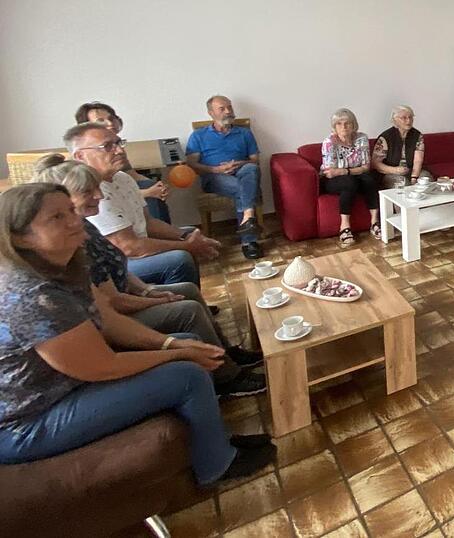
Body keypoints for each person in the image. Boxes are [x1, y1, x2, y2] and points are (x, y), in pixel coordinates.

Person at [0, 183, 275, 486]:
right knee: (187, 375)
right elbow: (102, 366)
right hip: (27, 423)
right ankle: (217, 465)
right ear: (19, 237)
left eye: (70, 210)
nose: (74, 220)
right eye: (56, 218)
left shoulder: (65, 265)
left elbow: (109, 319)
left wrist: (170, 342)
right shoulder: (32, 296)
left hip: (66, 386)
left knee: (186, 343)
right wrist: (177, 353)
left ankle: (216, 439)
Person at [32, 154, 266, 398]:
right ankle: (226, 378)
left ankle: (224, 352)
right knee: (187, 305)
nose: (99, 195)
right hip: (113, 314)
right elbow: (115, 295)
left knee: (188, 289)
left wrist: (148, 290)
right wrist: (157, 299)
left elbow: (118, 268)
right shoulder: (69, 244)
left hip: (123, 295)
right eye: (89, 191)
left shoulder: (85, 226)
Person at [67, 123, 220, 287]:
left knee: (190, 231)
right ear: (80, 156)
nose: (119, 150)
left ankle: (192, 296)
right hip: (122, 262)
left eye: (119, 143)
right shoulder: (92, 194)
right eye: (107, 146)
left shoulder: (123, 178)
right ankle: (179, 304)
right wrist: (187, 246)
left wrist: (186, 238)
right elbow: (129, 247)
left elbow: (149, 223)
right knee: (180, 259)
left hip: (137, 243)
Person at [186, 95, 264, 260]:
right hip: (214, 178)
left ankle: (247, 219)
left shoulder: (244, 133)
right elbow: (192, 164)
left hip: (242, 171)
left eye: (230, 107)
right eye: (222, 108)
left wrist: (237, 163)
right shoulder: (198, 136)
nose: (228, 111)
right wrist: (216, 169)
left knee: (250, 168)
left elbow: (255, 160)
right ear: (211, 113)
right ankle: (249, 240)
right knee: (242, 188)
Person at [74, 101, 171, 223]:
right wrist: (148, 193)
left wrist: (158, 186)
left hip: (124, 191)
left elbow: (132, 176)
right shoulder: (87, 155)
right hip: (108, 201)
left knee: (150, 184)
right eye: (100, 121)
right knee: (150, 193)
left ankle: (166, 234)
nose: (109, 124)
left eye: (111, 119)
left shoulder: (117, 148)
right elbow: (100, 194)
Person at [320, 108, 380, 247]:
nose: (344, 127)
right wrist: (348, 172)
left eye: (347, 123)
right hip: (332, 181)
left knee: (369, 179)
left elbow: (366, 166)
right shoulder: (329, 142)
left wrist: (344, 171)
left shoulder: (361, 138)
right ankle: (344, 227)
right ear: (334, 127)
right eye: (339, 124)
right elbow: (330, 171)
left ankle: (374, 223)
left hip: (354, 175)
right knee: (349, 183)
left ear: (354, 125)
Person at [372, 105, 429, 189]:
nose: (408, 120)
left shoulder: (417, 135)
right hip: (390, 172)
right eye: (404, 118)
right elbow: (375, 163)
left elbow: (418, 160)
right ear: (395, 120)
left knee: (425, 179)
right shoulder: (385, 137)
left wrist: (414, 177)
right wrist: (394, 170)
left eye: (410, 117)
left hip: (412, 170)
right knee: (402, 184)